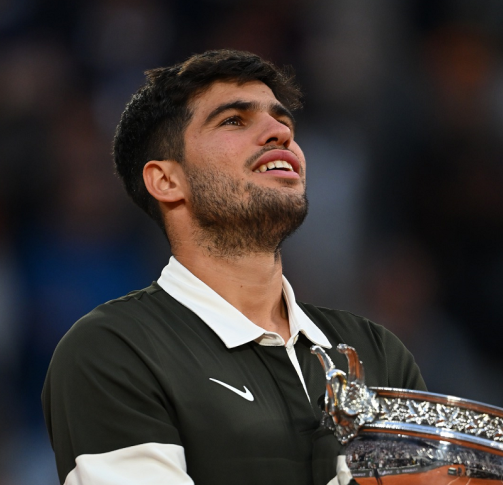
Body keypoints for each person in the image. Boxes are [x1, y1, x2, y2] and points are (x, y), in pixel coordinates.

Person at [42, 49, 426, 485]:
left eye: (284, 122)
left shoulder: (379, 353)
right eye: (234, 121)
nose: (278, 132)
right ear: (166, 180)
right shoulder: (114, 350)